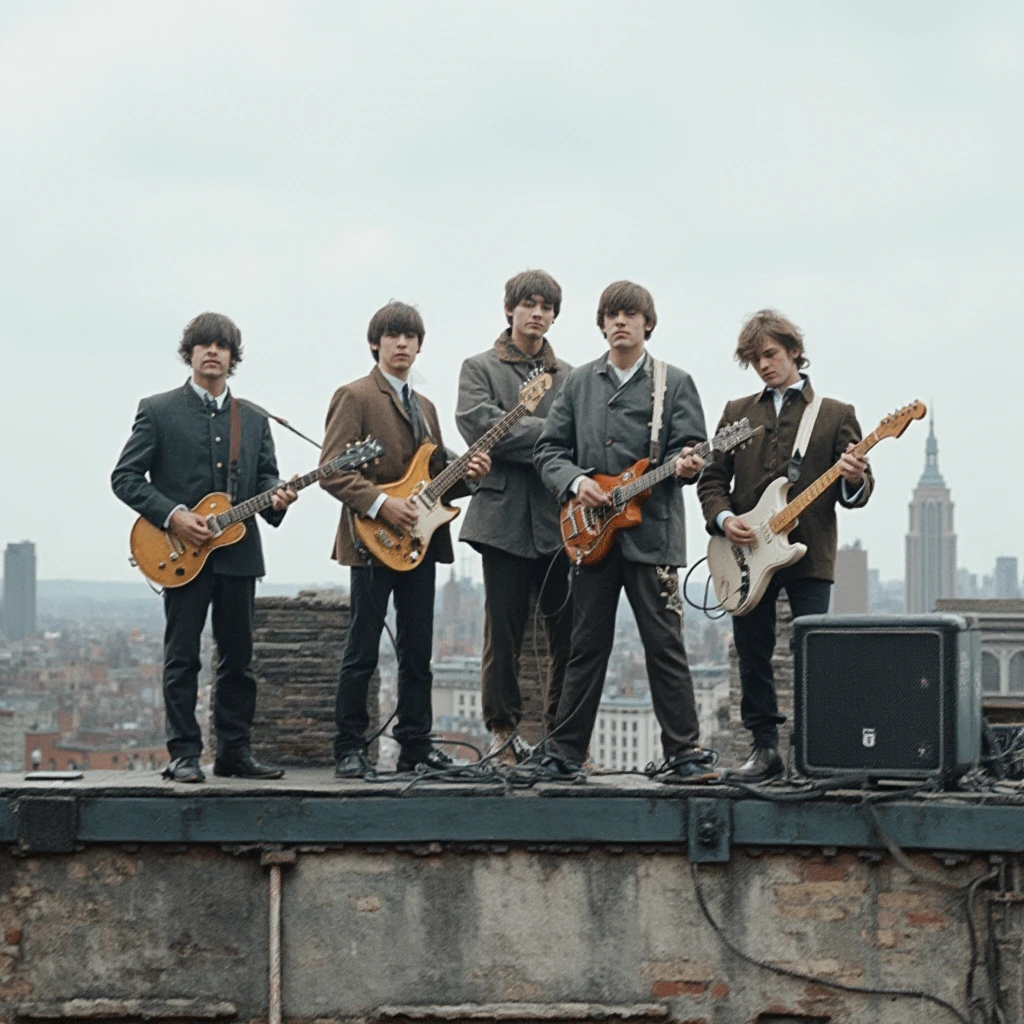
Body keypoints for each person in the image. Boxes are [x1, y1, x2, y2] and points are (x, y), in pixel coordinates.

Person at [532, 280, 714, 783]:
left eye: (630, 315)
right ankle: (565, 752)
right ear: (602, 324)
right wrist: (577, 482)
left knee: (664, 643)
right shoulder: (577, 383)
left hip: (651, 535)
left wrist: (687, 465)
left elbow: (690, 452)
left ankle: (685, 753)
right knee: (585, 645)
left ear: (647, 323)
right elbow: (548, 451)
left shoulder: (674, 383)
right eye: (611, 315)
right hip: (590, 536)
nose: (619, 322)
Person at [112, 312, 298, 783]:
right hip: (180, 554)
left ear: (233, 357)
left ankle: (235, 753)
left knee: (239, 660)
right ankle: (183, 755)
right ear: (190, 353)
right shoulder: (157, 410)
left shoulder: (253, 417)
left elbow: (266, 478)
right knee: (183, 657)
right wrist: (174, 515)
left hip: (239, 554)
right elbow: (125, 478)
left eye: (222, 346)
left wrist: (278, 496)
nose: (213, 351)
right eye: (204, 344)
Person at [697, 309, 873, 781]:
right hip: (746, 551)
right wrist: (724, 518)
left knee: (814, 652)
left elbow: (857, 492)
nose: (764, 365)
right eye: (755, 359)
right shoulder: (737, 414)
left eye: (771, 354)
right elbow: (711, 479)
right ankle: (764, 749)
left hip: (809, 552)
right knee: (751, 651)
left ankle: (817, 750)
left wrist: (854, 479)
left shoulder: (836, 414)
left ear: (794, 351)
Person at [320, 301, 491, 778]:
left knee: (419, 652)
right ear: (376, 343)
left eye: (411, 337)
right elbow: (333, 472)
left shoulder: (427, 408)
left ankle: (415, 746)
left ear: (419, 345)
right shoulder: (354, 396)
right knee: (362, 651)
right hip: (371, 541)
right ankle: (350, 748)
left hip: (418, 544)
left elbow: (435, 482)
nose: (402, 344)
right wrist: (381, 504)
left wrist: (469, 476)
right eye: (393, 336)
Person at [455, 270, 574, 765]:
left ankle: (565, 738)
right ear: (510, 310)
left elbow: (583, 434)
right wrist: (552, 438)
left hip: (558, 522)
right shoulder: (478, 367)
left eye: (546, 307)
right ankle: (502, 732)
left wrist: (527, 436)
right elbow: (481, 428)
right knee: (501, 637)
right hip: (501, 520)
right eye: (528, 304)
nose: (537, 314)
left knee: (567, 633)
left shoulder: (571, 376)